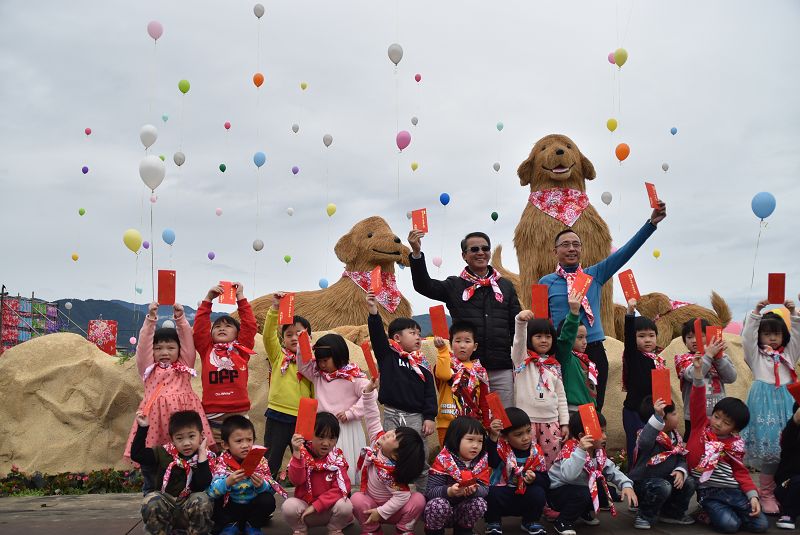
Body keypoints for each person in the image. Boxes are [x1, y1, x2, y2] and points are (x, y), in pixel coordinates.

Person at [540, 201, 667, 411]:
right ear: (555, 251)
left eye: (576, 244)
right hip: (564, 354)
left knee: (594, 409)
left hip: (595, 350)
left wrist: (650, 224)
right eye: (565, 244)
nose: (571, 248)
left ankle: (594, 444)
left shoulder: (595, 274)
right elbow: (541, 322)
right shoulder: (546, 282)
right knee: (564, 409)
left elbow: (625, 253)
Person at [408, 229, 522, 407]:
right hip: (467, 366)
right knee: (472, 419)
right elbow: (424, 285)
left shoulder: (505, 286)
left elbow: (516, 326)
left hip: (501, 366)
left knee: (504, 419)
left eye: (485, 248)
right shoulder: (455, 285)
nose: (481, 252)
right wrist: (416, 253)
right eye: (474, 249)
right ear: (464, 256)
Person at [123, 302, 214, 493]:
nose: (164, 352)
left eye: (171, 348)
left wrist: (180, 319)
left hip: (185, 426)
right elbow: (143, 347)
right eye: (158, 348)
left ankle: (193, 500)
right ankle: (152, 499)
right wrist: (150, 320)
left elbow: (188, 343)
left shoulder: (184, 367)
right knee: (153, 463)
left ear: (179, 350)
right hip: (156, 427)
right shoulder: (148, 369)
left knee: (192, 462)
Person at [687, 352, 768, 533]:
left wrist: (752, 496)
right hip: (710, 494)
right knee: (730, 526)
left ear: (734, 429)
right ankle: (706, 511)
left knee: (761, 524)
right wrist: (698, 374)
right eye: (716, 417)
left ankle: (732, 512)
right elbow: (697, 401)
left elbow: (741, 473)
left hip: (734, 492)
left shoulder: (735, 445)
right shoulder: (700, 427)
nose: (717, 423)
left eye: (726, 423)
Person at [366, 290, 437, 492]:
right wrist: (373, 312)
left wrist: (429, 417)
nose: (418, 337)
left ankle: (426, 501)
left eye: (419, 334)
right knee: (390, 458)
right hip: (391, 415)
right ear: (397, 338)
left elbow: (429, 393)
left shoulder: (422, 363)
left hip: (416, 418)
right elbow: (378, 336)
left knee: (419, 459)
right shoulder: (388, 355)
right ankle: (392, 500)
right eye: (413, 333)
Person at [740, 298, 800, 514]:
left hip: (786, 403)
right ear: (760, 336)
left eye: (777, 333)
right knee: (769, 452)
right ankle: (765, 493)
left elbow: (798, 336)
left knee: (787, 448)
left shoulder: (789, 355)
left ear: (784, 335)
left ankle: (780, 490)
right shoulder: (756, 356)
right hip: (763, 405)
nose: (773, 337)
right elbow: (747, 338)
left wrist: (793, 312)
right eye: (767, 333)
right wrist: (756, 311)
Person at [351, 378, 426, 534]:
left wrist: (382, 512)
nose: (390, 433)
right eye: (395, 432)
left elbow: (402, 497)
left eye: (395, 438)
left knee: (418, 499)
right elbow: (372, 416)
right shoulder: (377, 441)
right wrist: (369, 391)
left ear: (396, 456)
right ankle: (372, 529)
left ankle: (404, 528)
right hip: (371, 509)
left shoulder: (390, 472)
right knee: (357, 499)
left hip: (393, 511)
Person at [548, 411, 638, 535]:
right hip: (557, 492)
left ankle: (582, 512)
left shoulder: (597, 452)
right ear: (582, 436)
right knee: (583, 494)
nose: (605, 436)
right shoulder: (570, 449)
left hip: (579, 489)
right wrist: (581, 451)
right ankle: (563, 520)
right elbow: (569, 476)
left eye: (604, 431)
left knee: (604, 493)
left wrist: (626, 485)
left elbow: (611, 470)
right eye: (600, 432)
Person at [297, 332, 369, 485]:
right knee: (322, 468)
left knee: (347, 463)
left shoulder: (354, 377)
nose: (322, 365)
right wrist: (302, 344)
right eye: (319, 361)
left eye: (325, 360)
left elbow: (370, 394)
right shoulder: (318, 375)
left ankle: (346, 494)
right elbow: (303, 365)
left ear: (339, 355)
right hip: (322, 430)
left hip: (346, 428)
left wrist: (352, 413)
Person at [131, 410, 215, 535]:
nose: (186, 443)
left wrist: (202, 454)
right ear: (172, 439)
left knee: (202, 499)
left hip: (189, 508)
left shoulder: (207, 457)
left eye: (192, 436)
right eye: (179, 438)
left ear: (201, 435)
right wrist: (143, 428)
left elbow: (203, 484)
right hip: (167, 506)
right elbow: (137, 455)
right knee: (152, 499)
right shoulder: (164, 452)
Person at [193, 282, 257, 445]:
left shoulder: (241, 350)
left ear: (237, 334)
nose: (222, 328)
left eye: (228, 326)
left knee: (239, 458)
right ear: (211, 333)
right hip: (212, 417)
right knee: (213, 460)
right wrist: (208, 299)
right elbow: (200, 330)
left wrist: (240, 297)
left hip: (239, 415)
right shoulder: (206, 349)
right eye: (217, 326)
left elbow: (250, 326)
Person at [261, 291, 314, 477]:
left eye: (299, 334)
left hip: (304, 418)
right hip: (278, 414)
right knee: (271, 459)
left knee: (305, 460)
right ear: (282, 339)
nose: (294, 338)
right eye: (289, 334)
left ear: (310, 338)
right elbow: (268, 336)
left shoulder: (312, 362)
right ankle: (266, 493)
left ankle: (306, 492)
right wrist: (275, 308)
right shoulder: (278, 357)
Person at [208, 416, 286, 535]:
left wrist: (262, 485)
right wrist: (227, 482)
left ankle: (253, 525)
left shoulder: (260, 461)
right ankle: (229, 525)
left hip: (251, 508)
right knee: (216, 500)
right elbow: (211, 492)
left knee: (267, 500)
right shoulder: (221, 462)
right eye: (239, 441)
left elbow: (271, 489)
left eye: (249, 440)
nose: (245, 445)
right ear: (225, 444)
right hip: (230, 509)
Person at [511, 309, 569, 467]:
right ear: (530, 338)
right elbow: (518, 341)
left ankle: (551, 489)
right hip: (527, 423)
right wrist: (520, 322)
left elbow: (561, 396)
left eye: (548, 336)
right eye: (538, 336)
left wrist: (564, 423)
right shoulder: (522, 359)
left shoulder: (554, 365)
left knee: (552, 462)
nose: (544, 340)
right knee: (529, 462)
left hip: (551, 422)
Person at [629, 396, 696, 529]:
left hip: (665, 483)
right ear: (662, 419)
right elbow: (645, 442)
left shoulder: (675, 436)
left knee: (690, 482)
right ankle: (643, 515)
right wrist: (657, 416)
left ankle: (671, 513)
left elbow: (681, 457)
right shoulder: (647, 436)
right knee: (662, 486)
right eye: (674, 413)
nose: (678, 416)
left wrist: (680, 470)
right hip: (645, 484)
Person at [280, 413, 353, 535]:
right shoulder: (301, 454)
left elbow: (342, 488)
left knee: (346, 505)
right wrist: (296, 453)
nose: (326, 443)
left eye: (332, 438)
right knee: (288, 506)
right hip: (305, 513)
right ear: (310, 435)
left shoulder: (337, 458)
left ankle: (335, 528)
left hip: (328, 510)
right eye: (320, 437)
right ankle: (300, 529)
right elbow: (296, 481)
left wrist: (316, 506)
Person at [485, 408, 551, 535]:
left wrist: (535, 478)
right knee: (490, 492)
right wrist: (493, 436)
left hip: (524, 493)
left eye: (528, 431)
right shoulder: (501, 448)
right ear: (505, 437)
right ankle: (493, 522)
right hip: (504, 492)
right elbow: (492, 462)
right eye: (518, 434)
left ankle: (530, 521)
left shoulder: (536, 451)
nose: (526, 438)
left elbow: (545, 481)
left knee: (538, 493)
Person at [424, 416, 491, 535]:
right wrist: (449, 491)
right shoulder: (443, 460)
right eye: (470, 439)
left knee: (479, 503)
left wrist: (475, 490)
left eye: (480, 441)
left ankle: (464, 531)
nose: (476, 445)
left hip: (463, 512)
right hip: (441, 511)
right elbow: (430, 491)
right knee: (437, 504)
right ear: (456, 439)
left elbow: (485, 489)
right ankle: (434, 532)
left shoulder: (480, 463)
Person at [674, 318, 737, 440]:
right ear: (684, 341)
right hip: (694, 416)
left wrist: (718, 357)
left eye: (701, 336)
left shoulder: (722, 357)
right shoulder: (683, 359)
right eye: (689, 337)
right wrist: (708, 356)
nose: (694, 340)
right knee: (694, 447)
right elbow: (692, 375)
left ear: (709, 337)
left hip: (718, 416)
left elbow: (731, 377)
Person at [621, 298, 666, 465]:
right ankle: (634, 480)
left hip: (653, 413)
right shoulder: (633, 356)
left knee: (655, 447)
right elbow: (629, 338)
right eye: (641, 336)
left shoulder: (659, 361)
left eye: (651, 335)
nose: (647, 340)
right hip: (634, 412)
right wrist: (630, 313)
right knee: (636, 448)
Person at [433, 321, 490, 446]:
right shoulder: (445, 363)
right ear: (451, 344)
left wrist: (487, 424)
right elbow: (443, 375)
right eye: (458, 341)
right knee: (448, 460)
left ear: (475, 346)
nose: (462, 345)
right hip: (447, 423)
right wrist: (442, 351)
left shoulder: (480, 370)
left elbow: (484, 400)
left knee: (471, 458)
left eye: (467, 341)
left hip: (473, 424)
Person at [555, 290, 598, 412]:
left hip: (590, 411)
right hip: (573, 411)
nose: (585, 342)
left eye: (586, 337)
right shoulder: (565, 357)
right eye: (579, 337)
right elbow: (566, 339)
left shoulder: (587, 361)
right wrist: (574, 313)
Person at [775, 403, 800, 529]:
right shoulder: (792, 433)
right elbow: (786, 440)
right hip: (788, 485)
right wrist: (795, 421)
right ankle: (788, 514)